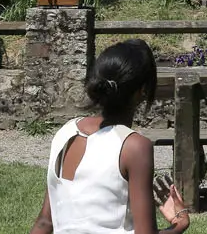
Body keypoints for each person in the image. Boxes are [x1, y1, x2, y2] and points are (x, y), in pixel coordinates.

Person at [30, 39, 191, 234]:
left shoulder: (66, 131)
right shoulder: (134, 146)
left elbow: (44, 223)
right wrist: (179, 224)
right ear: (143, 91)